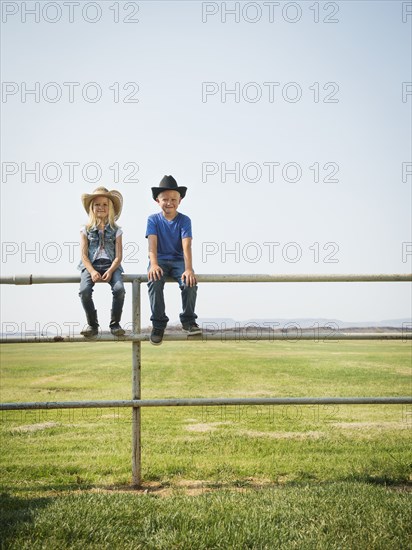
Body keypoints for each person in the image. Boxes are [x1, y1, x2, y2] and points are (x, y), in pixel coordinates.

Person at [146, 175, 201, 345]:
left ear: (180, 201)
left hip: (179, 260)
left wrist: (189, 268)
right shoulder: (153, 219)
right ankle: (158, 324)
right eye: (165, 199)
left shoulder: (184, 220)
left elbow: (187, 246)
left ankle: (188, 320)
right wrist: (154, 264)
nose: (169, 202)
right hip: (160, 259)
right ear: (158, 200)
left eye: (173, 199)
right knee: (154, 280)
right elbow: (152, 246)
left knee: (189, 282)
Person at [78, 187, 126, 337]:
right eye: (97, 204)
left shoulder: (116, 230)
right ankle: (92, 325)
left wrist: (111, 270)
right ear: (92, 207)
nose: (101, 207)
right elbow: (84, 256)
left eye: (105, 204)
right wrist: (92, 271)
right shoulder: (85, 230)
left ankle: (115, 324)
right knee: (84, 291)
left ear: (110, 208)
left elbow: (118, 256)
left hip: (111, 265)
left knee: (119, 290)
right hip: (91, 265)